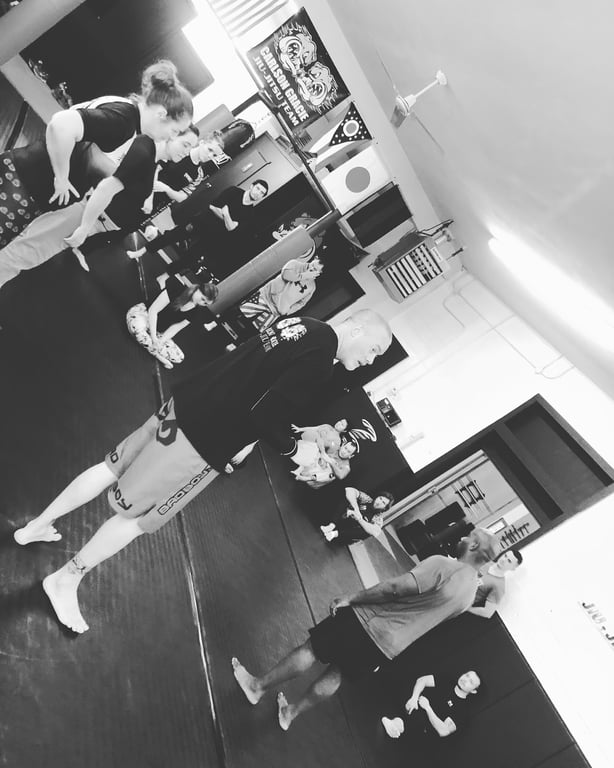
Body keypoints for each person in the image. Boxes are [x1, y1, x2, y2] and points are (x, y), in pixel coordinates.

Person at [13, 309, 392, 634]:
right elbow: (265, 413)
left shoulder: (304, 325)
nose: (370, 360)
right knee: (139, 519)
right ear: (358, 329)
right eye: (374, 349)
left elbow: (254, 383)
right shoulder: (320, 358)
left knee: (111, 467)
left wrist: (283, 434)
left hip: (187, 405)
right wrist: (296, 450)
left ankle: (35, 527)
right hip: (204, 439)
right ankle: (66, 578)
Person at [231, 527, 499, 731]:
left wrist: (352, 598)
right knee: (337, 674)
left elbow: (394, 588)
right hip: (390, 646)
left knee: (312, 650)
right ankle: (290, 714)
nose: (462, 537)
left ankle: (256, 687)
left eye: (468, 536)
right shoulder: (469, 596)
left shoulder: (444, 565)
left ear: (474, 545)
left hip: (368, 620)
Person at [0, 61, 194, 288]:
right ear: (161, 114)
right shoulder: (124, 120)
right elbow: (61, 124)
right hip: (24, 184)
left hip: (27, 184)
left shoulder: (129, 118)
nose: (170, 137)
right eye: (174, 131)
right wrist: (61, 176)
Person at [126, 276, 219, 369]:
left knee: (179, 357)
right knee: (137, 328)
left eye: (205, 303)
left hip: (158, 331)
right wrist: (154, 338)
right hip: (144, 314)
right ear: (198, 290)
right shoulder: (177, 288)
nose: (201, 303)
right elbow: (153, 310)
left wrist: (160, 342)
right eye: (203, 299)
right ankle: (158, 356)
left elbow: (174, 329)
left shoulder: (195, 312)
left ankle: (149, 343)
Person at [381, 670, 481, 741]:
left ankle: (397, 725)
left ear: (473, 691)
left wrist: (428, 708)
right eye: (467, 675)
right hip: (414, 705)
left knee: (420, 721)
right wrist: (414, 698)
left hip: (424, 726)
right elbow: (422, 680)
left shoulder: (462, 710)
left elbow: (444, 731)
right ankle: (396, 724)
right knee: (410, 688)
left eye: (471, 682)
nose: (465, 680)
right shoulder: (447, 680)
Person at [240, 257, 324, 330]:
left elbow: (302, 303)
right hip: (264, 297)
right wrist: (305, 275)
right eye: (312, 265)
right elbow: (286, 275)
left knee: (253, 330)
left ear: (319, 273)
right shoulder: (295, 264)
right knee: (240, 315)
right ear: (314, 259)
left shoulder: (312, 287)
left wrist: (287, 311)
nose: (311, 268)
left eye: (315, 269)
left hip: (275, 312)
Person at [320, 487, 395, 543]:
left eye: (383, 503)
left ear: (384, 508)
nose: (379, 502)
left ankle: (333, 534)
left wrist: (359, 519)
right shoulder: (367, 499)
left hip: (347, 532)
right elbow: (349, 490)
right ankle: (331, 526)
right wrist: (356, 509)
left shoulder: (378, 518)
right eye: (380, 498)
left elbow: (376, 532)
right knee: (347, 499)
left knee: (367, 532)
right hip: (342, 519)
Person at [467, 547, 523, 619]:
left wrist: (467, 608)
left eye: (509, 561)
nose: (503, 560)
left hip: (458, 601)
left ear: (513, 568)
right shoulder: (486, 561)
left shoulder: (499, 586)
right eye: (505, 556)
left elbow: (487, 612)